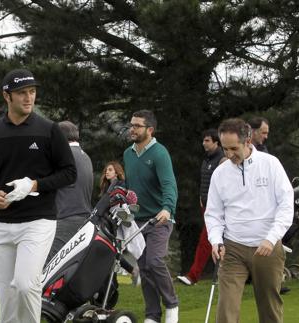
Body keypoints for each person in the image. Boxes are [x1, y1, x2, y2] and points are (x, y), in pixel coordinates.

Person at [0, 68, 76, 323]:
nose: (29, 98)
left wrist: (33, 185)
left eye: (32, 92)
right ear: (6, 96)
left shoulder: (49, 130)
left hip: (38, 221)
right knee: (6, 294)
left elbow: (69, 173)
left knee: (25, 284)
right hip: (2, 223)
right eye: (22, 93)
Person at [205, 118, 293, 323]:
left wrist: (271, 238)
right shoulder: (220, 173)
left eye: (234, 148)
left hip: (267, 247)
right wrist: (216, 240)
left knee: (269, 307)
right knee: (226, 309)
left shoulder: (271, 165)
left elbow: (286, 206)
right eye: (225, 148)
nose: (228, 154)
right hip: (233, 248)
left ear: (248, 142)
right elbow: (214, 213)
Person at [123, 109, 179, 323]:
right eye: (131, 125)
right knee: (144, 267)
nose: (132, 129)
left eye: (137, 126)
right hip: (137, 221)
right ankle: (153, 316)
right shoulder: (128, 153)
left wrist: (167, 207)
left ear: (150, 129)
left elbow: (169, 184)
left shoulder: (159, 153)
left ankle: (172, 304)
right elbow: (130, 186)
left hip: (160, 218)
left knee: (154, 261)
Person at [177, 129, 225, 286]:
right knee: (212, 241)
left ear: (216, 142)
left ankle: (193, 276)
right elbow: (204, 181)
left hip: (219, 208)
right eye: (204, 140)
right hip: (206, 205)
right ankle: (219, 275)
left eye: (207, 141)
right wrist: (201, 197)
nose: (204, 143)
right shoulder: (207, 160)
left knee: (207, 240)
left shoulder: (222, 159)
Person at [46, 120, 93, 262]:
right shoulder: (85, 157)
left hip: (65, 218)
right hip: (83, 219)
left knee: (47, 266)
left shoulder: (64, 156)